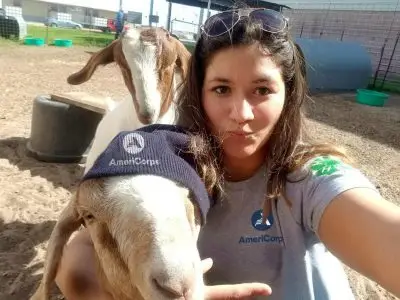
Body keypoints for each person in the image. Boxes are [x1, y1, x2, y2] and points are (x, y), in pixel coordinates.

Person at [54, 7, 400, 300]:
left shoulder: (309, 176)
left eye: (262, 90)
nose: (241, 113)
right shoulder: (165, 164)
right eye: (221, 89)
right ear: (197, 93)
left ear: (288, 95)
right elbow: (79, 259)